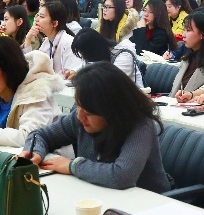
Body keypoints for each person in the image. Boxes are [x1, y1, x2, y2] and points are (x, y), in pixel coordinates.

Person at [20, 62, 171, 192]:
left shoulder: (141, 125)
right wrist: (35, 153)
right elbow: (39, 135)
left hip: (149, 204)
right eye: (78, 106)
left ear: (111, 111)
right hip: (100, 193)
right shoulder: (80, 117)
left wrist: (73, 166)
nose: (80, 117)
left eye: (89, 112)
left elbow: (121, 176)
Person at [167, 9, 204, 97]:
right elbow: (174, 92)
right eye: (184, 30)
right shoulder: (187, 58)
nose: (183, 35)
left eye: (188, 30)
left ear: (203, 34)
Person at [65, 27, 144, 87]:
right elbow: (83, 66)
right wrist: (73, 72)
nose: (84, 58)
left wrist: (81, 78)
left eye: (84, 54)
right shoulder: (99, 55)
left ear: (93, 51)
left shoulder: (124, 56)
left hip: (130, 100)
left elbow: (110, 82)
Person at [25, 0, 81, 76]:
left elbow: (70, 75)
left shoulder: (69, 43)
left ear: (54, 23)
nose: (37, 20)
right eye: (37, 16)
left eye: (42, 17)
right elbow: (32, 67)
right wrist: (28, 38)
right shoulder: (46, 43)